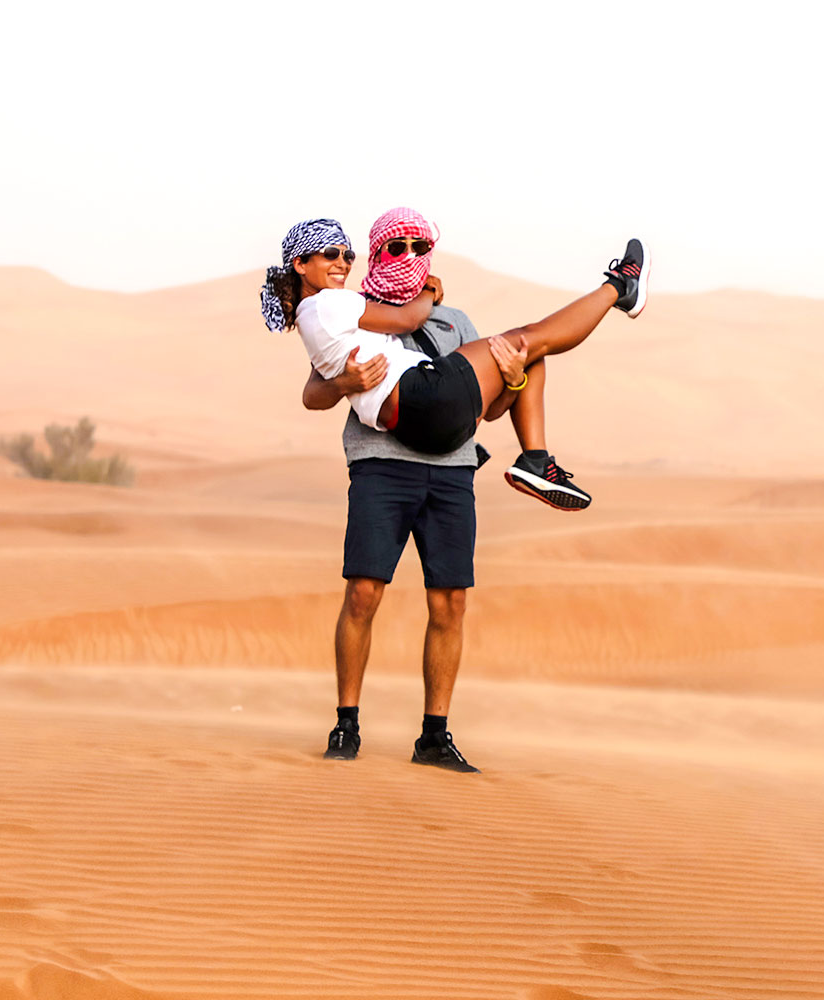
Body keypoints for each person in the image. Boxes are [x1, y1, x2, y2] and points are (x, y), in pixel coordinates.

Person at [266, 216, 648, 768]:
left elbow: (487, 407)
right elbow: (314, 391)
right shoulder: (345, 305)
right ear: (378, 253)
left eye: (419, 246)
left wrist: (513, 379)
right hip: (384, 463)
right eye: (393, 246)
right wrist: (349, 379)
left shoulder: (447, 320)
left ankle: (434, 736)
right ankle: (345, 726)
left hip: (450, 463)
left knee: (450, 601)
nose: (407, 253)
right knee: (363, 594)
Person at [263, 211, 650, 511]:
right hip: (421, 398)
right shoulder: (332, 303)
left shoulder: (315, 317)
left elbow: (316, 387)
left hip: (422, 426)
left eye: (348, 255)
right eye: (331, 254)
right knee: (533, 338)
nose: (344, 264)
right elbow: (407, 319)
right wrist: (429, 292)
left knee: (528, 355)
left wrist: (513, 381)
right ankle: (620, 286)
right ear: (300, 265)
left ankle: (536, 460)